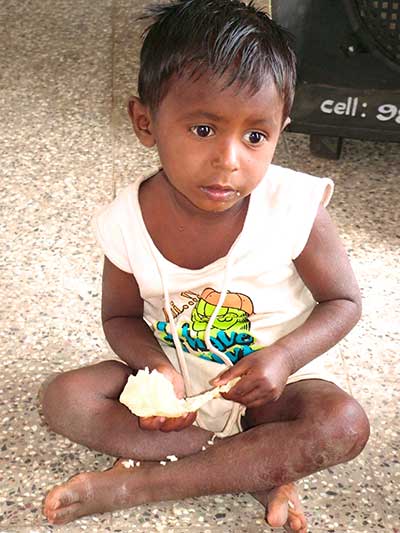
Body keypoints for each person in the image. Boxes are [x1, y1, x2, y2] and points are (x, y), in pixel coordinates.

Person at [41, 1, 370, 530]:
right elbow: (119, 320)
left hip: (273, 390)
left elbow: (344, 303)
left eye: (256, 136)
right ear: (145, 122)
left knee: (342, 423)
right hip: (180, 388)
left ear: (280, 131)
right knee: (64, 398)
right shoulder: (126, 221)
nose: (230, 160)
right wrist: (159, 370)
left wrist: (283, 359)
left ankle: (140, 481)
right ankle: (249, 465)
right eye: (202, 129)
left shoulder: (294, 207)